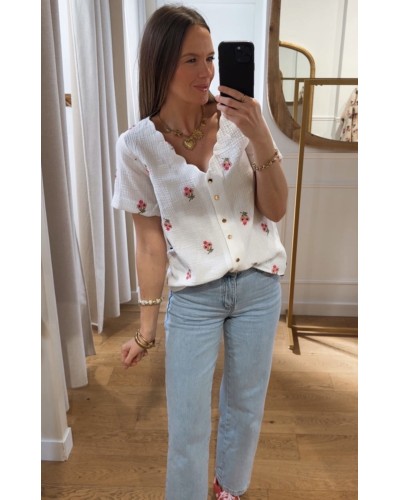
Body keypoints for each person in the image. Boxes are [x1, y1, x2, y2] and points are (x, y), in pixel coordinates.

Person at [112, 5, 288, 499]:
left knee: (246, 406)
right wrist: (146, 330)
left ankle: (229, 489)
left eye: (210, 58)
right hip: (193, 297)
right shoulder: (136, 146)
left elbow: (276, 208)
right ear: (160, 64)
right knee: (187, 423)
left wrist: (259, 135)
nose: (207, 71)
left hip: (258, 286)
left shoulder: (240, 122)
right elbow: (149, 242)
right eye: (191, 60)